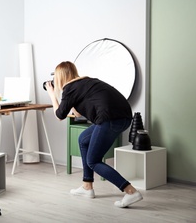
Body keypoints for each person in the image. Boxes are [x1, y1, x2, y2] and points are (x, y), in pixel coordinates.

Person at [45, 61, 143, 208]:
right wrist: (70, 103)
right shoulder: (86, 82)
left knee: (93, 161)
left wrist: (52, 94)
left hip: (109, 119)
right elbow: (78, 112)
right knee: (83, 139)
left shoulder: (70, 88)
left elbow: (59, 115)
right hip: (124, 117)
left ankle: (130, 191)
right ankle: (87, 187)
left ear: (60, 77)